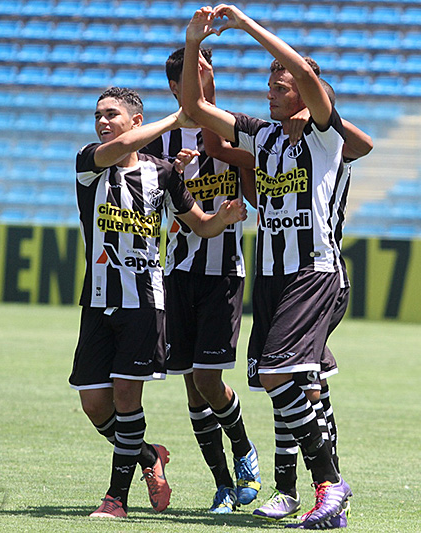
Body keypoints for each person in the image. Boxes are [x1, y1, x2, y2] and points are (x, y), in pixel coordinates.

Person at [182, 5, 356, 528]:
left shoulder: (327, 135)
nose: (270, 92)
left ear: (306, 93)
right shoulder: (263, 136)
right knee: (292, 385)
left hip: (315, 270)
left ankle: (330, 484)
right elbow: (193, 106)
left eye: (279, 86)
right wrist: (194, 42)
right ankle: (293, 492)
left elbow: (303, 73)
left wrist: (248, 27)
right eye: (269, 85)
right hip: (274, 276)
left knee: (280, 371)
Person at [70, 86, 247, 519]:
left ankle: (116, 499)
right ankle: (150, 457)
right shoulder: (89, 162)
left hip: (146, 304)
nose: (103, 122)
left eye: (112, 115)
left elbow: (199, 225)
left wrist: (220, 220)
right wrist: (176, 119)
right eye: (98, 115)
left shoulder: (164, 174)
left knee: (128, 397)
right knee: (95, 404)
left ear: (134, 119)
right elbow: (123, 148)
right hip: (98, 301)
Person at [140, 47, 261, 514]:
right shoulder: (159, 145)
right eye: (194, 73)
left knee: (209, 378)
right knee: (191, 385)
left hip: (223, 272)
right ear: (177, 86)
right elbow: (148, 212)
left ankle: (244, 446)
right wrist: (177, 176)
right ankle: (224, 485)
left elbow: (256, 187)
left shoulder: (234, 129)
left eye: (209, 71)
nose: (203, 80)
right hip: (176, 274)